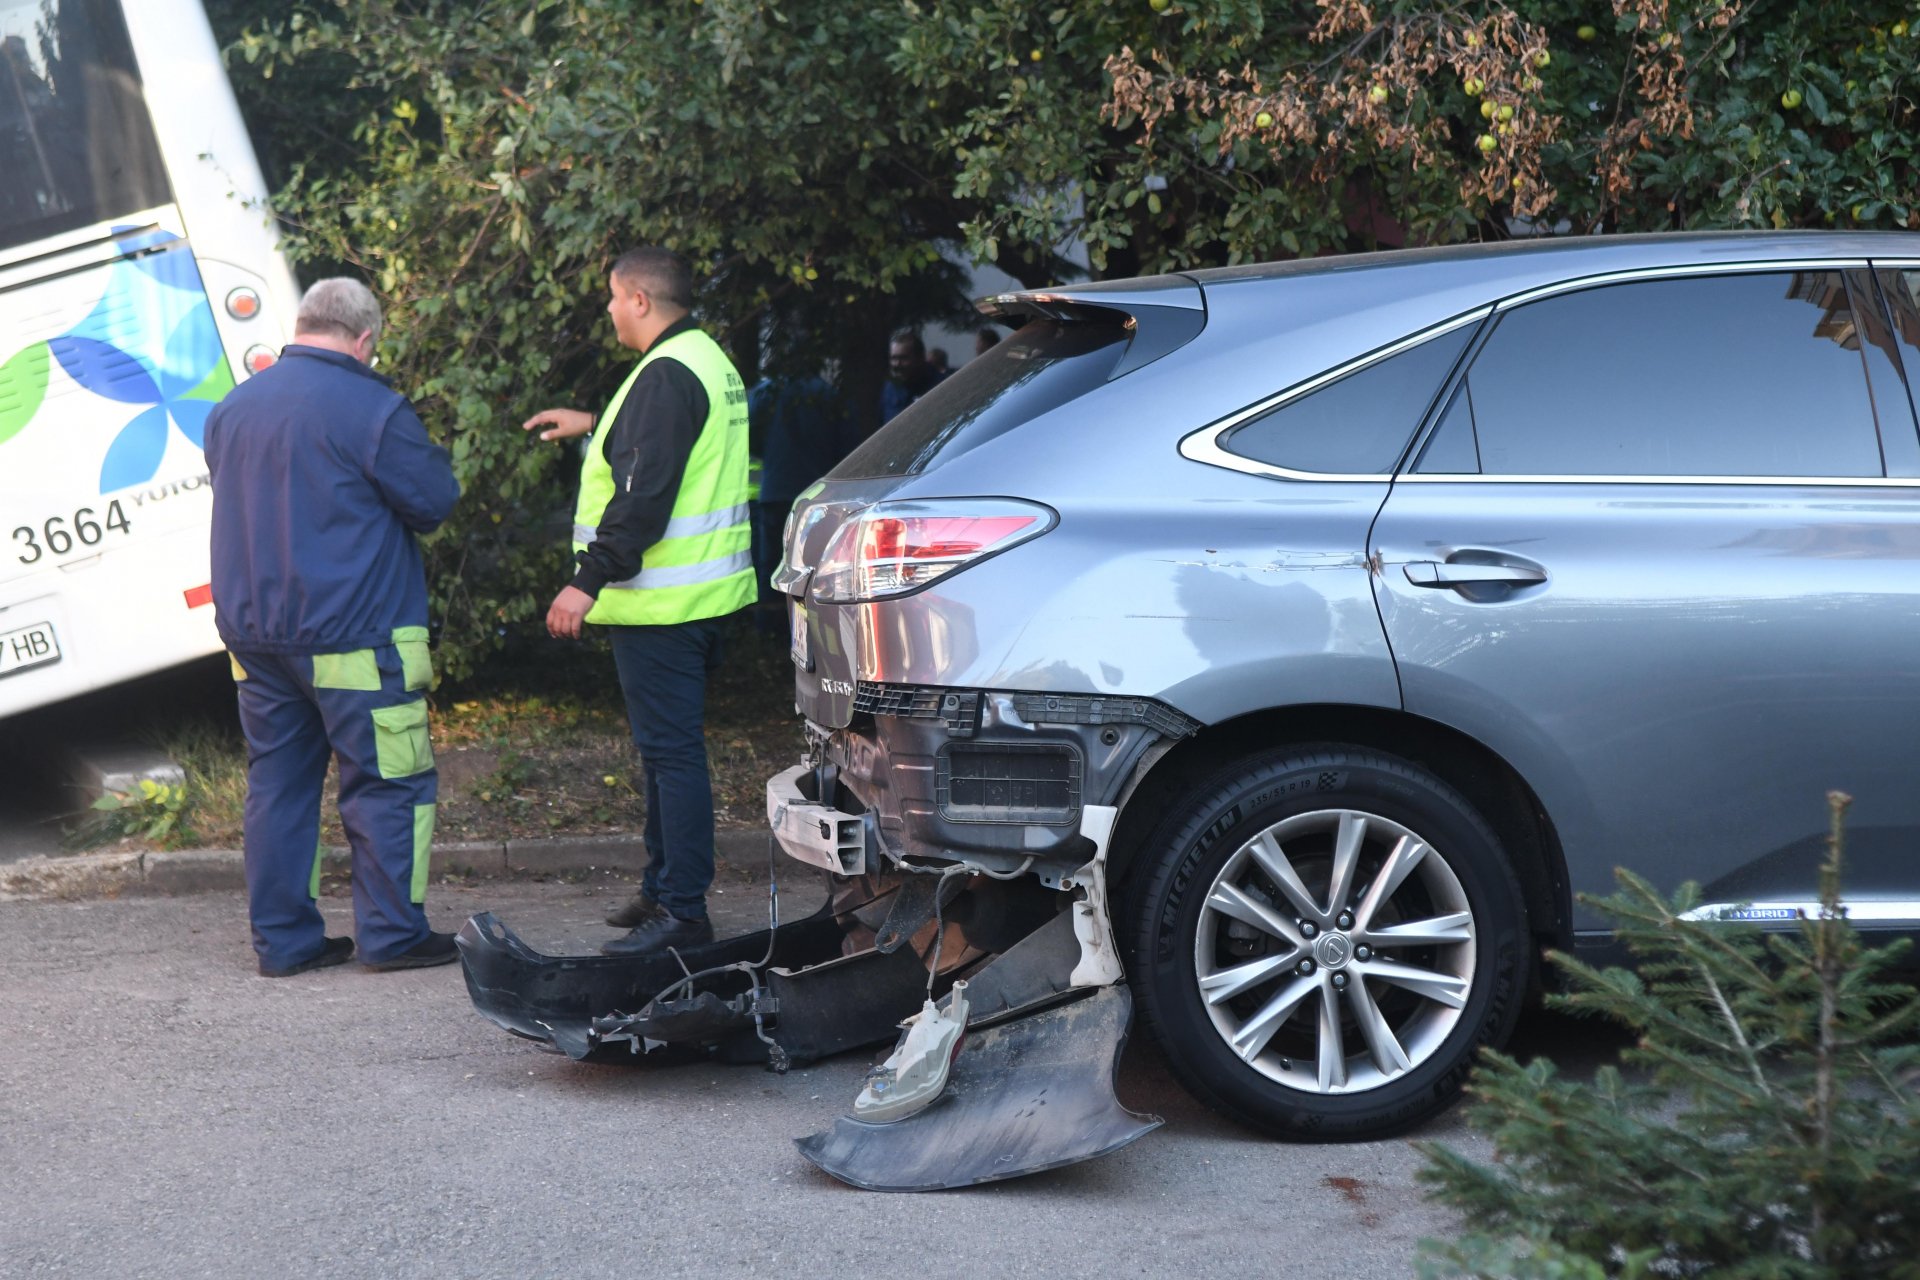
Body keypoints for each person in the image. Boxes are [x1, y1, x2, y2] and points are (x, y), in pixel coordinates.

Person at [205, 278, 461, 977]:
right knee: (387, 782)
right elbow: (434, 499)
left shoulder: (234, 407)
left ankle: (285, 944)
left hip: (256, 642)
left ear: (303, 324)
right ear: (365, 339)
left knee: (278, 787)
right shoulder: (371, 408)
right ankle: (392, 935)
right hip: (355, 636)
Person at [523, 247, 754, 958]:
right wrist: (594, 424)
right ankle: (662, 890)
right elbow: (667, 449)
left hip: (664, 609)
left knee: (672, 757)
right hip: (702, 603)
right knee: (664, 756)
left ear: (641, 301)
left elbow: (644, 498)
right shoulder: (702, 360)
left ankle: (682, 914)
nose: (610, 310)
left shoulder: (665, 374)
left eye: (614, 298)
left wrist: (585, 580)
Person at [746, 373, 858, 631]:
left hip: (775, 491)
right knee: (812, 575)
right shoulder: (829, 394)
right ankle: (808, 636)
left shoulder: (768, 392)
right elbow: (847, 445)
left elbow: (750, 435)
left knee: (770, 574)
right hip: (816, 496)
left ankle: (767, 636)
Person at [880, 330, 946, 423]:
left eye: (903, 358)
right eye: (894, 358)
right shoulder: (890, 388)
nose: (897, 364)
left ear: (920, 358)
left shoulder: (940, 386)